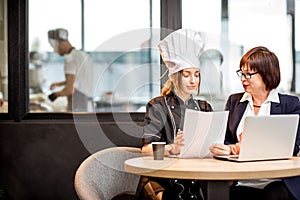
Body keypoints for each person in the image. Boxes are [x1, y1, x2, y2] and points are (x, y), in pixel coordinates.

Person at [210, 46, 300, 200]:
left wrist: (248, 147)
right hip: (241, 180)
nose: (243, 79)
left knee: (275, 195)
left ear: (267, 74)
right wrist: (230, 148)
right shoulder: (235, 101)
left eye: (249, 74)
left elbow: (293, 147)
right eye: (242, 73)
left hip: (277, 180)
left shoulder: (289, 104)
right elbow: (225, 139)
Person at [136, 29, 213, 200]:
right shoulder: (157, 106)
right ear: (175, 77)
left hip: (193, 182)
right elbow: (146, 150)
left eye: (197, 75)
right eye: (187, 75)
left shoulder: (204, 107)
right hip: (162, 184)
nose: (193, 80)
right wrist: (172, 149)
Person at [47, 28, 94, 111]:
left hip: (78, 105)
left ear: (60, 43)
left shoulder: (70, 59)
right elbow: (78, 79)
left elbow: (69, 90)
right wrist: (58, 84)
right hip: (89, 104)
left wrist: (54, 95)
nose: (54, 50)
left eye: (53, 46)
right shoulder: (82, 55)